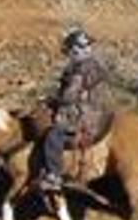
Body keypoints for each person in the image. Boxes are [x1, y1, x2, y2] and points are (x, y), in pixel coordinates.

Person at [38, 27, 109, 192]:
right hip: (97, 108)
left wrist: (51, 100)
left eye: (71, 49)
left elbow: (70, 95)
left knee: (53, 135)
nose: (70, 52)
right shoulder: (94, 64)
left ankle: (53, 176)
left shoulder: (79, 69)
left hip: (83, 113)